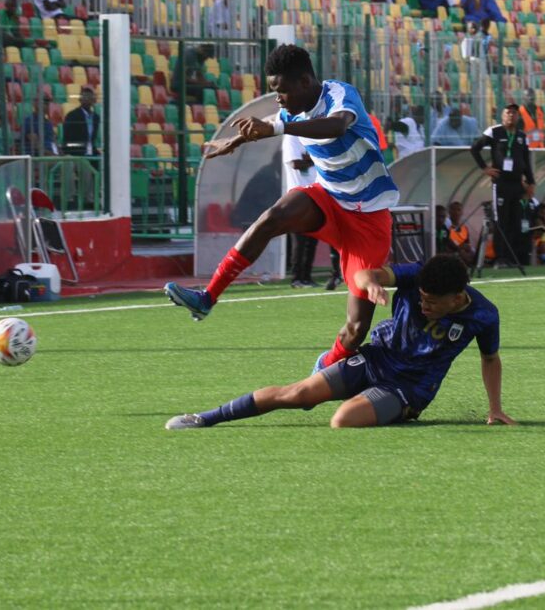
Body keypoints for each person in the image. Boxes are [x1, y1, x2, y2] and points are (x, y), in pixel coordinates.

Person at [165, 44, 400, 374]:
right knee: (272, 218)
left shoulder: (339, 95)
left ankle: (325, 368)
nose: (278, 98)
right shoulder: (293, 109)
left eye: (282, 90)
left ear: (305, 82)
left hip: (369, 217)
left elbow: (335, 126)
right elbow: (274, 121)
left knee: (356, 329)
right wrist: (234, 141)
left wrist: (276, 129)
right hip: (329, 198)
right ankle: (207, 298)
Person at [165, 255, 515, 429]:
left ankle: (374, 400)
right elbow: (364, 274)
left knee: (342, 419)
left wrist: (495, 407)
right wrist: (372, 284)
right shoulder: (417, 273)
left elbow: (490, 359)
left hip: (409, 388)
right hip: (377, 358)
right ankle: (204, 418)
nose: (424, 306)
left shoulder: (484, 315)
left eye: (432, 303)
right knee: (298, 394)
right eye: (420, 298)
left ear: (458, 297)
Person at [470, 104, 535, 266]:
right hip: (501, 183)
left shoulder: (522, 135)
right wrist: (485, 168)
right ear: (502, 115)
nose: (511, 115)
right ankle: (500, 258)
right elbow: (475, 148)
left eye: (514, 113)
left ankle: (513, 257)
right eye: (508, 112)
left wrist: (531, 182)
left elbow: (526, 161)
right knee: (501, 221)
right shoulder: (494, 131)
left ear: (518, 116)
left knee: (516, 221)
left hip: (517, 184)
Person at [282, 135, 319, 288]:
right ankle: (296, 278)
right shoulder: (291, 137)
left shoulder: (312, 136)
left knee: (313, 239)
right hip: (298, 196)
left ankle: (307, 277)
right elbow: (295, 163)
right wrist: (315, 159)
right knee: (299, 240)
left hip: (316, 194)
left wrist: (309, 159)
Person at [63, 86, 101, 156]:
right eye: (85, 97)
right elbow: (68, 139)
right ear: (80, 99)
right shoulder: (72, 116)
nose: (87, 99)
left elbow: (92, 140)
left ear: (93, 100)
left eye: (89, 97)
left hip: (92, 153)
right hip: (77, 154)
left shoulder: (96, 117)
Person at [445, 201, 477, 266]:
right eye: (453, 209)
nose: (456, 212)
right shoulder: (446, 226)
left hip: (463, 251)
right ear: (449, 212)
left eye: (458, 210)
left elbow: (467, 243)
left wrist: (467, 247)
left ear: (462, 213)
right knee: (461, 254)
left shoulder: (465, 228)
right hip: (453, 251)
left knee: (474, 252)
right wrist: (459, 248)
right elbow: (446, 242)